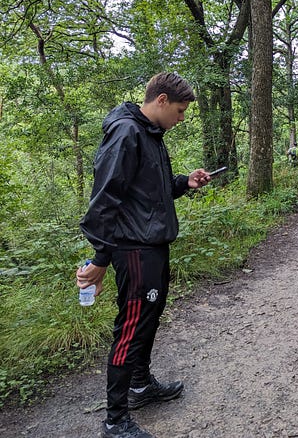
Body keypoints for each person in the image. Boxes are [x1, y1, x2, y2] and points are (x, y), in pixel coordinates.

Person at [77, 72, 212, 438]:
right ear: (163, 100)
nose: (182, 118)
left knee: (148, 319)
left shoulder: (150, 134)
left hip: (153, 245)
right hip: (132, 249)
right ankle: (115, 420)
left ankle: (139, 385)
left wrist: (186, 182)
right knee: (131, 326)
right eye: (181, 111)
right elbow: (105, 199)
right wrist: (100, 258)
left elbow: (154, 192)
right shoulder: (126, 133)